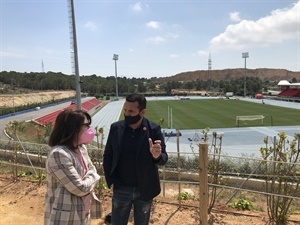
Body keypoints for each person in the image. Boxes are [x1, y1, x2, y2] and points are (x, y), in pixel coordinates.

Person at [103, 93, 168, 225]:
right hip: (121, 188)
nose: (127, 114)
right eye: (125, 110)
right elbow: (108, 156)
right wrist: (111, 180)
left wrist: (157, 156)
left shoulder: (154, 129)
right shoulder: (116, 128)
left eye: (131, 111)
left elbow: (164, 158)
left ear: (142, 112)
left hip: (145, 189)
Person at [44, 109, 102, 225]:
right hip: (65, 217)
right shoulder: (59, 154)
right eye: (86, 125)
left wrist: (90, 175)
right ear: (73, 129)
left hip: (82, 213)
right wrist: (94, 176)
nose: (89, 129)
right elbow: (80, 188)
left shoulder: (81, 148)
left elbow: (91, 169)